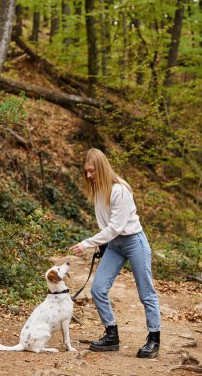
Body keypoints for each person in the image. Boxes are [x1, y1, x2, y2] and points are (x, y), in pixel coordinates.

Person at [70, 148, 161, 358]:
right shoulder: (98, 190)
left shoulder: (120, 190)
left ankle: (154, 339)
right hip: (114, 245)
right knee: (98, 289)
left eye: (92, 171)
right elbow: (105, 223)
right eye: (86, 171)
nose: (88, 175)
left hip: (133, 242)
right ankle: (111, 335)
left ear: (101, 167)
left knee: (146, 292)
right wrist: (102, 246)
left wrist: (87, 243)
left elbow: (115, 227)